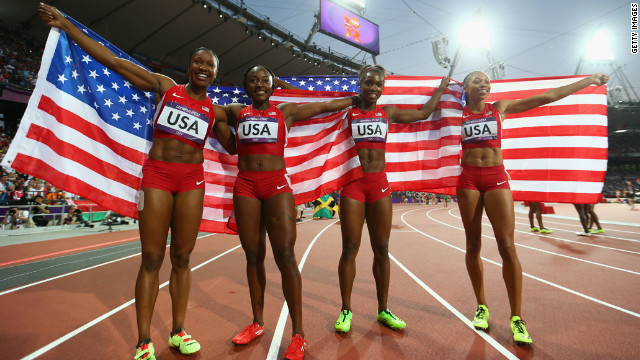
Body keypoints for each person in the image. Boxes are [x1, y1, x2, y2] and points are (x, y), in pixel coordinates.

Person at [39, 3, 218, 359]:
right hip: (158, 177)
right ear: (190, 66)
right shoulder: (166, 87)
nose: (203, 68)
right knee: (151, 258)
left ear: (215, 74)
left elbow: (255, 127)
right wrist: (67, 26)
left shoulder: (217, 110)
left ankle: (178, 331)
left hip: (192, 183)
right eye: (198, 62)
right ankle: (143, 342)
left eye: (210, 66)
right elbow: (116, 64)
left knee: (182, 257)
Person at [212, 65, 356, 359]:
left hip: (277, 187)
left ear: (272, 85)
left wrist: (355, 99)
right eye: (253, 80)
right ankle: (257, 323)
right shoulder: (236, 112)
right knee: (253, 256)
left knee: (286, 257)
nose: (259, 84)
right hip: (246, 188)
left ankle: (299, 334)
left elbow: (325, 105)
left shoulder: (286, 112)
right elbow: (202, 108)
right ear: (246, 86)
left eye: (264, 80)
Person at [458, 70, 608, 345]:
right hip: (467, 180)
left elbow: (546, 97)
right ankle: (481, 305)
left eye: (487, 81)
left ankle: (517, 318)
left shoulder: (499, 108)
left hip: (496, 178)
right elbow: (420, 115)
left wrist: (588, 81)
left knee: (507, 246)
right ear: (465, 87)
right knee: (472, 244)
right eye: (476, 80)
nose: (484, 84)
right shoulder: (455, 116)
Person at [334, 65, 449, 333]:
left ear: (382, 88)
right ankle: (345, 310)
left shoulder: (388, 113)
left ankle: (383, 309)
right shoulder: (347, 111)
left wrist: (441, 89)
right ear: (360, 83)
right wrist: (281, 84)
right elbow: (318, 106)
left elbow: (423, 113)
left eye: (378, 84)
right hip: (352, 185)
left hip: (378, 186)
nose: (373, 88)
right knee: (350, 248)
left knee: (382, 249)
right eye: (368, 83)